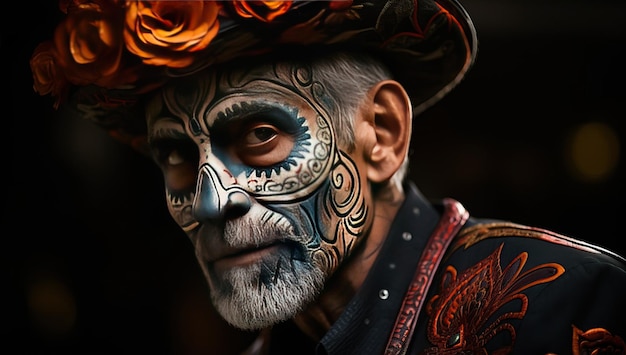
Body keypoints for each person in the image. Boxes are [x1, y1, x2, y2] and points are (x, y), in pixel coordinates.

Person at [29, 0, 626, 354]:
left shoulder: (574, 307)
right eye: (176, 156)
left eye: (260, 136)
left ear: (383, 134)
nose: (213, 201)